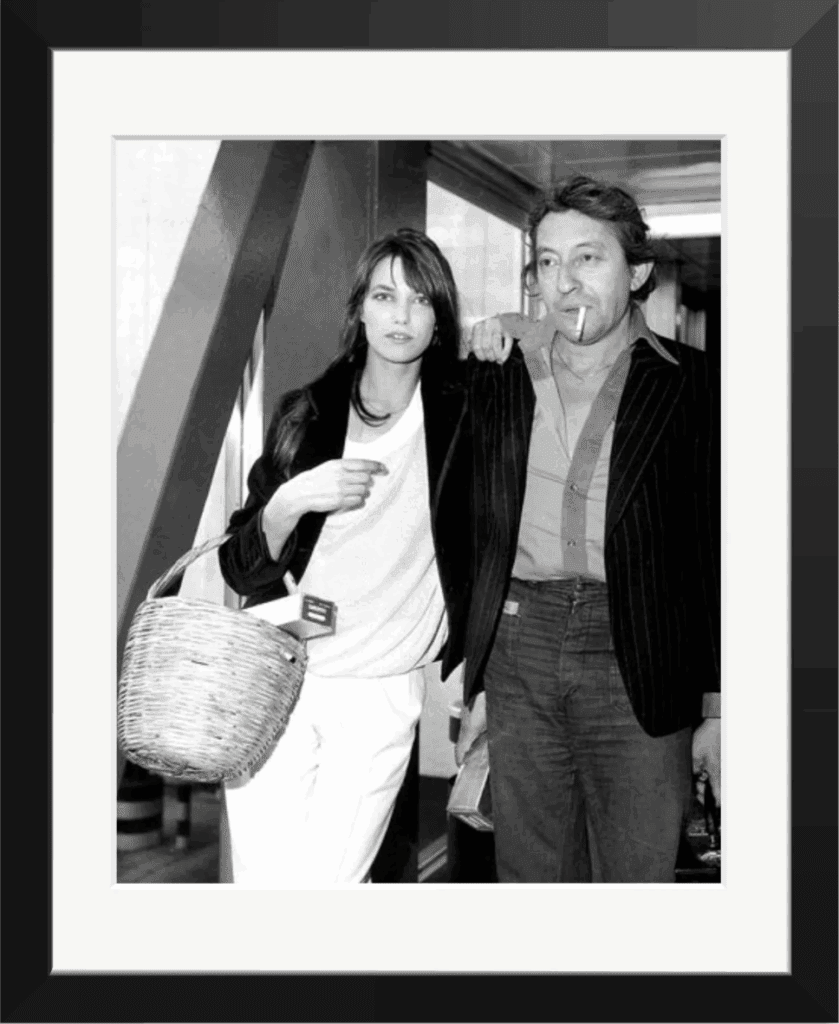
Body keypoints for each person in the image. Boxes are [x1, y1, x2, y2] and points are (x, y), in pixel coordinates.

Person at [455, 175, 720, 883]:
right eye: (546, 261)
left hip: (641, 648)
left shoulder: (695, 384)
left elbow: (718, 553)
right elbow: (462, 523)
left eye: (587, 258)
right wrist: (475, 676)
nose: (563, 281)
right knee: (531, 872)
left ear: (635, 273)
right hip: (519, 643)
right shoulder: (496, 372)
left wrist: (721, 707)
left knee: (635, 877)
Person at [217, 228, 471, 886]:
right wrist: (290, 502)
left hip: (378, 688)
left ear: (440, 317)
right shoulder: (306, 414)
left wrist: (512, 330)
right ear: (359, 309)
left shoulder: (465, 412)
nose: (401, 314)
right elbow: (239, 565)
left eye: (420, 299)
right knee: (262, 885)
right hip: (277, 672)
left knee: (330, 887)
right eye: (384, 296)